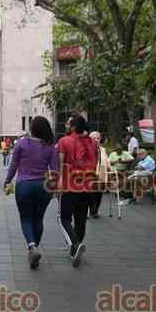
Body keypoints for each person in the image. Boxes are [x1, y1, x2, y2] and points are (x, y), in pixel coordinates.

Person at [4, 116, 58, 269]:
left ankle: (32, 246)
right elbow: (55, 170)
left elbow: (13, 165)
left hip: (24, 186)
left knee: (26, 219)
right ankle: (34, 249)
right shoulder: (50, 146)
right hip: (43, 187)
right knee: (38, 219)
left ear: (32, 128)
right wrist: (54, 187)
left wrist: (7, 181)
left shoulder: (22, 143)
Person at [57, 114, 98, 267]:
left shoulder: (64, 141)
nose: (66, 126)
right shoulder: (93, 142)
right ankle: (75, 249)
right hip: (87, 186)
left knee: (64, 219)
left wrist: (59, 182)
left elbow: (61, 164)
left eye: (68, 124)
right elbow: (96, 162)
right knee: (81, 220)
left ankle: (75, 243)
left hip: (70, 186)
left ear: (73, 127)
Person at [88, 131, 112, 218]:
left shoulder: (103, 149)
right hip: (91, 175)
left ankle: (95, 211)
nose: (96, 140)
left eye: (98, 138)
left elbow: (107, 161)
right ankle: (92, 211)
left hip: (102, 175)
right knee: (91, 194)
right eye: (94, 138)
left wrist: (111, 169)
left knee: (99, 194)